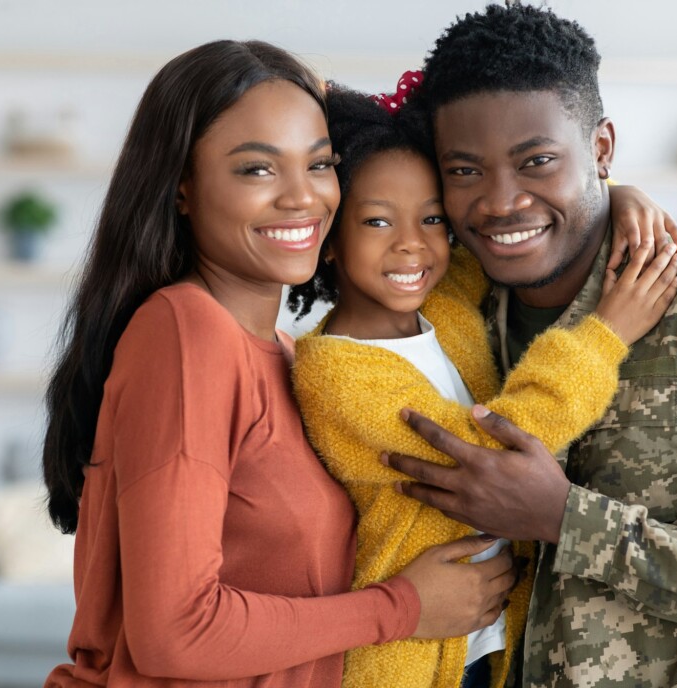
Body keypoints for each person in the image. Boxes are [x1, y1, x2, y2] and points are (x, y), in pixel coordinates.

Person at [383, 4, 677, 687]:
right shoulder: (441, 305)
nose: (500, 201)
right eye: (465, 171)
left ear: (601, 148)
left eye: (537, 161)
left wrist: (567, 519)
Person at [40, 40, 519, 688]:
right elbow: (175, 633)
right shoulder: (188, 333)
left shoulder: (290, 355)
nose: (304, 198)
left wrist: (611, 205)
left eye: (319, 164)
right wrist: (404, 608)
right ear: (181, 188)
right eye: (258, 170)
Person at [288, 86, 677, 688]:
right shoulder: (334, 370)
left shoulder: (440, 307)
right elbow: (489, 453)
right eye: (376, 220)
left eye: (431, 218)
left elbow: (503, 235)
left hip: (486, 641)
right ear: (330, 238)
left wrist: (613, 194)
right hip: (408, 660)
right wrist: (608, 334)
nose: (411, 244)